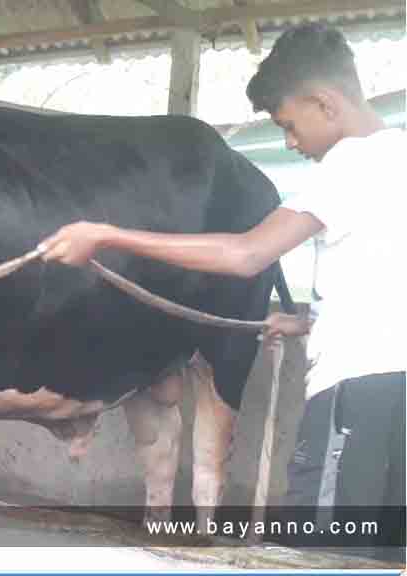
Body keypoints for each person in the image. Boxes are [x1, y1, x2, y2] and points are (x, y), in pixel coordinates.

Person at [39, 23, 403, 551]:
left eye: (289, 125)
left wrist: (107, 234)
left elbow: (246, 254)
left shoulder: (347, 164)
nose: (289, 142)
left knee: (329, 554)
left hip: (355, 403)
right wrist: (307, 322)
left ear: (324, 103)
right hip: (398, 401)